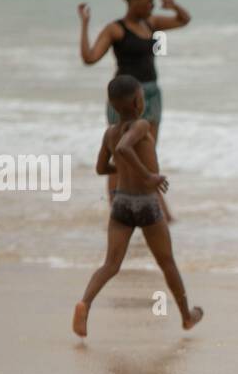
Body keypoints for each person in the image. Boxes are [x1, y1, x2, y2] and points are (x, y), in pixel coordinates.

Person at [73, 75, 203, 337]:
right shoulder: (142, 125)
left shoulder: (109, 132)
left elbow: (100, 168)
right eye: (142, 97)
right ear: (136, 103)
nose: (143, 102)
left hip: (121, 202)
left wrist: (122, 170)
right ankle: (187, 317)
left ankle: (85, 303)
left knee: (110, 264)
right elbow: (124, 147)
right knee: (167, 263)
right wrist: (148, 176)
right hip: (146, 203)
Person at [78, 0, 191, 219]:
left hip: (151, 93)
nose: (152, 5)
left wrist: (173, 5)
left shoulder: (152, 23)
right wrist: (85, 24)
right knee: (120, 154)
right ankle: (117, 211)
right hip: (125, 96)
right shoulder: (116, 29)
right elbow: (89, 58)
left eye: (153, 0)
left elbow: (184, 20)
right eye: (148, 1)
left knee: (148, 154)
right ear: (132, 1)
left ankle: (160, 213)